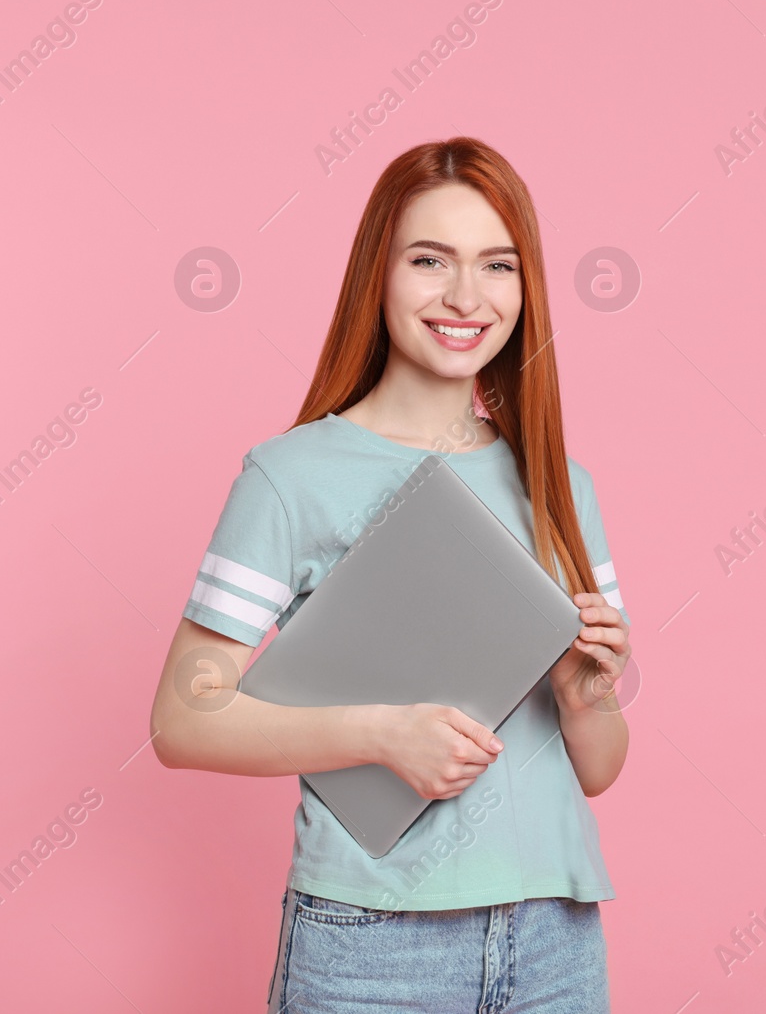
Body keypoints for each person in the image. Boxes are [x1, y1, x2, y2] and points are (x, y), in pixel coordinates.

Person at [148, 137, 633, 1013]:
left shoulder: (560, 484)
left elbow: (596, 767)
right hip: (372, 944)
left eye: (497, 264)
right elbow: (184, 718)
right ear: (380, 272)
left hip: (554, 938)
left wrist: (584, 691)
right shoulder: (289, 476)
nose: (464, 297)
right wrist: (382, 735)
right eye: (429, 260)